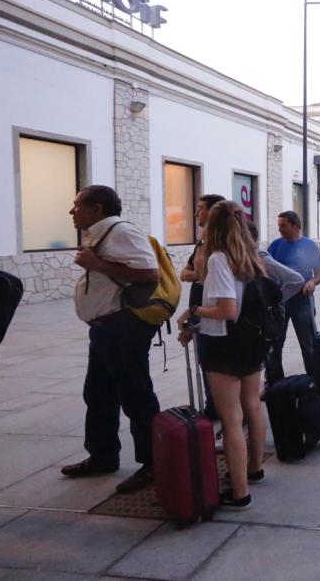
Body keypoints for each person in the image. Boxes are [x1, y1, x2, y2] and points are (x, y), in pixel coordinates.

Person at [62, 185, 161, 495]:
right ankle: (103, 455)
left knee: (136, 395)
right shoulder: (101, 233)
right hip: (105, 328)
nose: (72, 211)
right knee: (99, 393)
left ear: (98, 208)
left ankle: (153, 464)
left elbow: (150, 273)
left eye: (77, 205)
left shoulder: (121, 232)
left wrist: (97, 264)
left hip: (124, 328)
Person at [175, 201, 268, 510]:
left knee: (230, 420)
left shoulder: (218, 259)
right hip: (252, 342)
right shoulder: (251, 257)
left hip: (225, 346)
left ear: (212, 227)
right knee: (252, 405)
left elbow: (227, 310)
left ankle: (240, 492)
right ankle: (254, 469)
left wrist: (194, 311)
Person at [265, 211, 320, 388]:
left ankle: (313, 381)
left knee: (308, 343)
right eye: (279, 225)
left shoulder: (309, 246)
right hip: (279, 302)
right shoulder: (275, 246)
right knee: (275, 342)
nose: (279, 229)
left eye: (283, 225)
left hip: (302, 300)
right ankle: (275, 382)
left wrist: (312, 282)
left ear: (296, 225)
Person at [179, 193, 225, 421]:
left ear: (213, 212)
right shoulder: (201, 242)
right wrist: (199, 274)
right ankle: (212, 405)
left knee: (215, 359)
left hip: (212, 307)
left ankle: (221, 407)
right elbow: (185, 273)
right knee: (203, 357)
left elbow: (209, 276)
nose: (196, 213)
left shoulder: (220, 246)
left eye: (200, 208)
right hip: (197, 303)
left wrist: (199, 275)